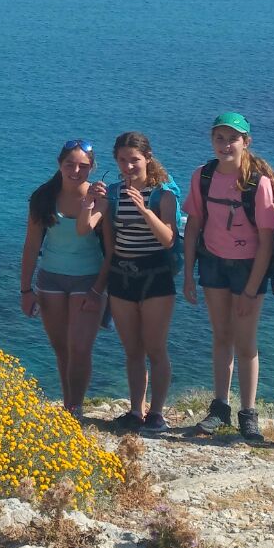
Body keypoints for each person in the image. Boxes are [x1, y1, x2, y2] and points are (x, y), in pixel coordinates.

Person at [182, 112, 274, 442]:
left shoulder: (258, 183)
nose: (225, 145)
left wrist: (251, 289)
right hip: (213, 263)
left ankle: (248, 413)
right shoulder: (203, 176)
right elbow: (193, 226)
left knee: (246, 341)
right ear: (212, 140)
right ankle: (220, 407)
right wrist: (188, 274)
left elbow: (266, 241)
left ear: (246, 142)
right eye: (219, 138)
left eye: (233, 139)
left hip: (248, 268)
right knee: (221, 336)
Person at [94, 132, 179, 433]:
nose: (128, 166)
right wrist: (94, 199)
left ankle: (156, 413)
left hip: (155, 276)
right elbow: (99, 230)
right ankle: (135, 410)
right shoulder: (113, 193)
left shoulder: (163, 194)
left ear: (148, 158)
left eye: (134, 160)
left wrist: (144, 210)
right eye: (122, 160)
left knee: (155, 348)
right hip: (122, 275)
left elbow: (168, 239)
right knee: (132, 350)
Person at [20, 139, 108, 418]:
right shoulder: (43, 198)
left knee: (80, 348)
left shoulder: (100, 199)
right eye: (70, 164)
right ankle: (68, 404)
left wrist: (99, 289)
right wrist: (25, 290)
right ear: (59, 164)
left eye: (83, 166)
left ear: (92, 168)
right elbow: (31, 245)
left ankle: (76, 408)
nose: (76, 171)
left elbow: (110, 249)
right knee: (61, 348)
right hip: (51, 279)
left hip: (88, 279)